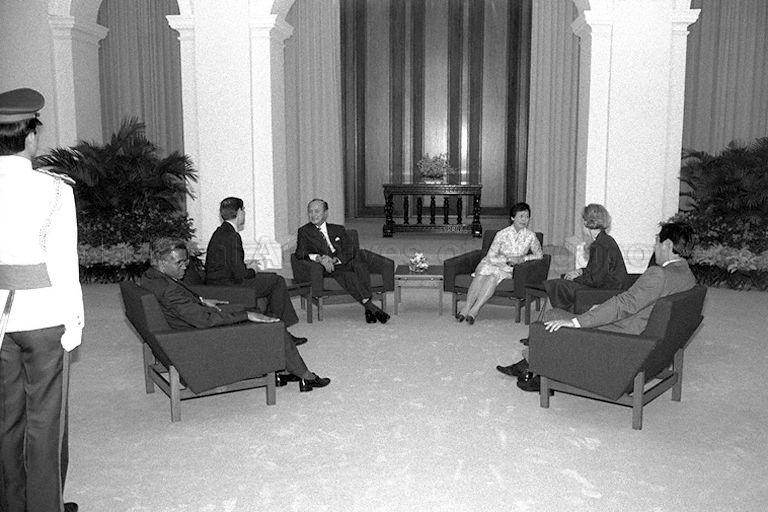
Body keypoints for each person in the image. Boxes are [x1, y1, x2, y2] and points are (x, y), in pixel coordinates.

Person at [0, 88, 82, 512]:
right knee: (45, 418)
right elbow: (63, 262)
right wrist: (75, 323)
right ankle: (46, 505)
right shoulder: (53, 189)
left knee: (6, 416)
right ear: (30, 136)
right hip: (44, 315)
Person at [497, 221, 696, 392]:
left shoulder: (658, 274)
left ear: (668, 244)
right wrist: (600, 307)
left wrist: (577, 322)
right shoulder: (687, 275)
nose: (655, 247)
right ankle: (528, 363)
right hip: (641, 332)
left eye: (657, 242)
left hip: (623, 338)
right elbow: (633, 299)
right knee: (578, 310)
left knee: (552, 316)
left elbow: (624, 305)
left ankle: (540, 372)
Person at [142, 238, 330, 391]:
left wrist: (200, 300)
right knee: (272, 326)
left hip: (192, 322)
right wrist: (246, 316)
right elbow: (205, 320)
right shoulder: (168, 290)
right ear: (160, 262)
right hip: (200, 336)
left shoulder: (151, 278)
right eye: (179, 262)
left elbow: (179, 303)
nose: (185, 266)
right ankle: (305, 376)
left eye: (186, 261)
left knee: (257, 313)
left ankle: (280, 370)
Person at [204, 197, 305, 345]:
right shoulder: (232, 236)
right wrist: (252, 269)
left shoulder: (220, 232)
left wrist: (245, 266)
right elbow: (240, 274)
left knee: (271, 278)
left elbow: (229, 264)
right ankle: (280, 329)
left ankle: (277, 328)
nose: (244, 214)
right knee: (276, 281)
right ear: (239, 212)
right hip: (229, 287)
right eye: (243, 210)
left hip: (221, 282)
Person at [295, 198, 390, 324]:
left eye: (317, 211)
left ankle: (368, 309)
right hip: (328, 267)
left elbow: (350, 249)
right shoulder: (304, 231)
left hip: (340, 261)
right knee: (348, 275)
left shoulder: (338, 229)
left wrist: (335, 259)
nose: (313, 215)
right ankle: (372, 308)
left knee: (360, 265)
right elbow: (300, 253)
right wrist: (319, 258)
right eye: (310, 211)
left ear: (326, 213)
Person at [456, 202, 543, 324]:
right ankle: (467, 307)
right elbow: (491, 256)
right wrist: (507, 259)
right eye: (521, 216)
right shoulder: (501, 234)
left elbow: (539, 255)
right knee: (481, 274)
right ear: (513, 218)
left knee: (493, 277)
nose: (524, 220)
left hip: (509, 269)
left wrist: (523, 259)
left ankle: (475, 310)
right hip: (493, 263)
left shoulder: (531, 237)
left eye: (527, 216)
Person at [543, 203, 628, 313]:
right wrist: (580, 272)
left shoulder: (599, 245)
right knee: (562, 279)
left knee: (555, 285)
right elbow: (597, 271)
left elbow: (596, 280)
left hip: (606, 291)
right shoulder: (605, 240)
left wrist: (575, 278)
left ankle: (556, 319)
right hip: (610, 287)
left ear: (587, 223)